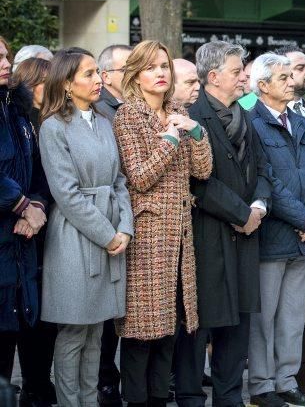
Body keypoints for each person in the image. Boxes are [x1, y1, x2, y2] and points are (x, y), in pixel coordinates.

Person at [112, 41, 212, 406]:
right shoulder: (128, 115)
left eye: (165, 67)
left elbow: (202, 170)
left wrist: (196, 131)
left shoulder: (178, 111)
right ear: (136, 76)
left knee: (170, 330)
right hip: (147, 235)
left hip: (181, 235)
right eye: (151, 68)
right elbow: (139, 177)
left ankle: (158, 400)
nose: (160, 74)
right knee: (141, 334)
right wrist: (170, 138)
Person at [174, 41, 273, 406]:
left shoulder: (246, 116)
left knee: (238, 322)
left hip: (247, 234)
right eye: (237, 71)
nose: (244, 76)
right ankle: (189, 396)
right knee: (197, 324)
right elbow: (198, 180)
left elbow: (263, 169)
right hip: (207, 234)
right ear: (213, 76)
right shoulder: (192, 115)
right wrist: (241, 214)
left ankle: (230, 397)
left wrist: (259, 207)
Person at [38, 48, 134, 406]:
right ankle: (69, 401)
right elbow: (66, 193)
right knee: (75, 329)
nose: (99, 80)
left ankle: (89, 400)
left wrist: (125, 227)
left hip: (111, 232)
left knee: (98, 329)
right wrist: (109, 235)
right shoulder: (53, 127)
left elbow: (119, 181)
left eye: (98, 72)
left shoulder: (104, 122)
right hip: (74, 238)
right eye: (90, 74)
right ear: (66, 83)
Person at [247, 53, 305, 407]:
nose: (291, 82)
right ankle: (262, 386)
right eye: (282, 77)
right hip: (274, 237)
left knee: (294, 316)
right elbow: (269, 182)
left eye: (290, 76)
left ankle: (287, 380)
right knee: (264, 319)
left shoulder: (301, 121)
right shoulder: (253, 123)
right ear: (262, 86)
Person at [0, 38, 53, 405]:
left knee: (15, 329)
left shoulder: (16, 111)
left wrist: (35, 206)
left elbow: (35, 171)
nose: (5, 62)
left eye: (4, 55)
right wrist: (21, 204)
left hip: (21, 243)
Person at [94, 43, 134, 406]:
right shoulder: (101, 110)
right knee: (105, 316)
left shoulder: (129, 107)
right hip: (106, 222)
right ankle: (105, 381)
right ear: (107, 76)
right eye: (127, 67)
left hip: (128, 219)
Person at [95, 44, 132, 121]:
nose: (133, 74)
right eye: (124, 70)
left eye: (135, 69)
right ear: (106, 77)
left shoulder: (142, 104)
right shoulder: (97, 111)